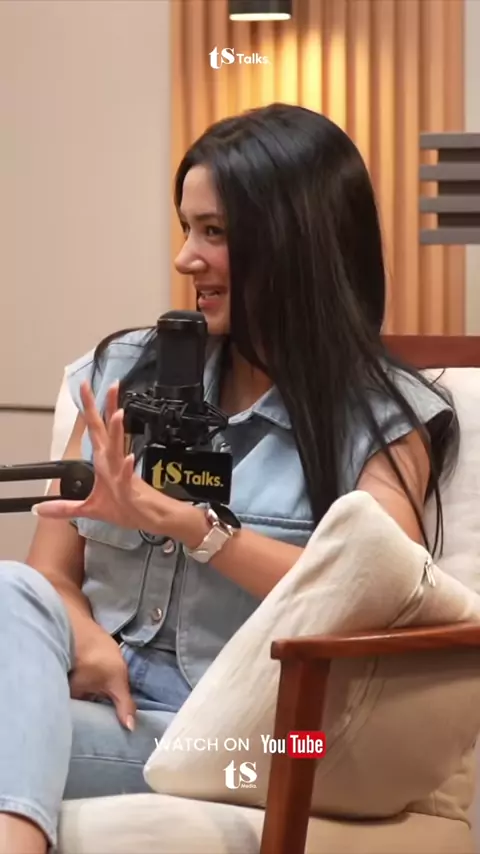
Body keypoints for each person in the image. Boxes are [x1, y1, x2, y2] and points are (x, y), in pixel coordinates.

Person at [0, 102, 459, 854]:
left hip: (253, 747)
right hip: (93, 705)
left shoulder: (381, 422)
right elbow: (50, 573)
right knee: (9, 589)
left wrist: (193, 527)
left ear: (295, 242)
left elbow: (378, 597)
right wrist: (86, 639)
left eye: (214, 232)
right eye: (187, 228)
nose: (186, 258)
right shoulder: (123, 375)